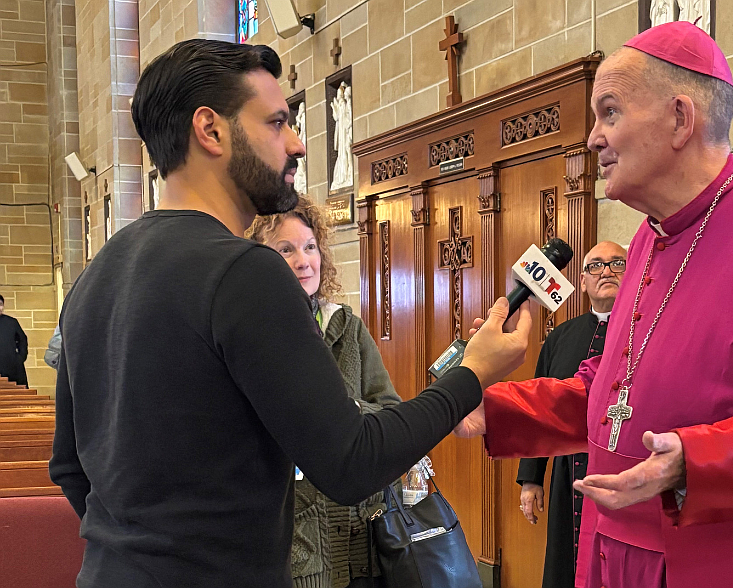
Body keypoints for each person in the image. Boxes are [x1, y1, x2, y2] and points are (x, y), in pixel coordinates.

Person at [49, 39, 531, 588]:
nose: (298, 144)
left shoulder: (96, 273)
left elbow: (68, 466)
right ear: (211, 130)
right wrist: (473, 375)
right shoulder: (243, 271)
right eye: (278, 123)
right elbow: (351, 462)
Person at [456, 21, 733, 588]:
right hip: (614, 556)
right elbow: (613, 393)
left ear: (681, 119)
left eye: (609, 113)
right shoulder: (646, 241)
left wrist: (691, 461)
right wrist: (498, 408)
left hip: (728, 567)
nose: (592, 138)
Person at [246, 197, 401, 588]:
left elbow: (389, 411)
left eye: (310, 246)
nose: (303, 261)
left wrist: (340, 411)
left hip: (358, 540)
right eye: (286, 249)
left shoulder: (346, 327)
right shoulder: (246, 334)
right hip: (291, 548)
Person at [517, 241, 626, 588]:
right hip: (569, 473)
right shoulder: (561, 336)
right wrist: (531, 478)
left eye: (616, 263)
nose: (606, 271)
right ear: (582, 281)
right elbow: (538, 410)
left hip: (626, 471)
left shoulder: (648, 329)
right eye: (596, 265)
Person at [0, 294, 29, 387]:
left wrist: (20, 358)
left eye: (0, 304)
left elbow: (22, 340)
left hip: (12, 366)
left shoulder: (12, 322)